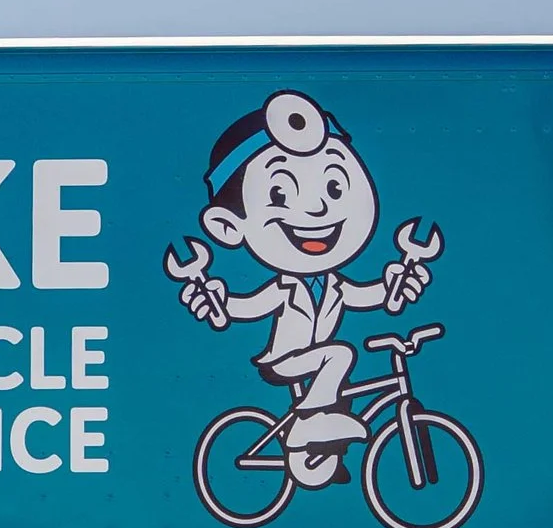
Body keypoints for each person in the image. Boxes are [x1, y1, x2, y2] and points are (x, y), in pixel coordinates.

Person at [166, 90, 438, 485]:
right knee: (339, 355)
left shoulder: (335, 285)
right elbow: (247, 306)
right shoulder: (285, 289)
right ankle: (308, 425)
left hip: (313, 361)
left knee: (339, 390)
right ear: (227, 226)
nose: (316, 209)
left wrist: (398, 281)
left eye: (335, 188)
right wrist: (218, 302)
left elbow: (373, 294)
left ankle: (322, 457)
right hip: (285, 360)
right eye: (280, 193)